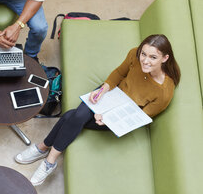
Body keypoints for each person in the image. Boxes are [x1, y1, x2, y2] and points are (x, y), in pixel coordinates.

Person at [15, 34, 181, 186]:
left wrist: (108, 117)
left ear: (165, 58)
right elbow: (118, 73)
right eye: (143, 54)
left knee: (71, 116)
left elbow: (139, 117)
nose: (145, 60)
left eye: (153, 57)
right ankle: (48, 157)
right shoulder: (134, 54)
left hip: (121, 115)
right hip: (110, 94)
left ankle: (44, 151)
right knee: (77, 115)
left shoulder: (164, 92)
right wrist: (102, 90)